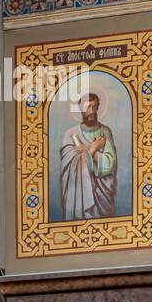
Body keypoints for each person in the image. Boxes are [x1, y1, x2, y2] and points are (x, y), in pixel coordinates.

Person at [59, 92, 118, 221]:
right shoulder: (70, 134)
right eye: (87, 107)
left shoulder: (105, 131)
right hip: (78, 194)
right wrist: (92, 149)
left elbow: (110, 163)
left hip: (101, 194)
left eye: (94, 107)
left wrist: (89, 151)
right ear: (80, 109)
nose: (91, 111)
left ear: (98, 108)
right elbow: (67, 168)